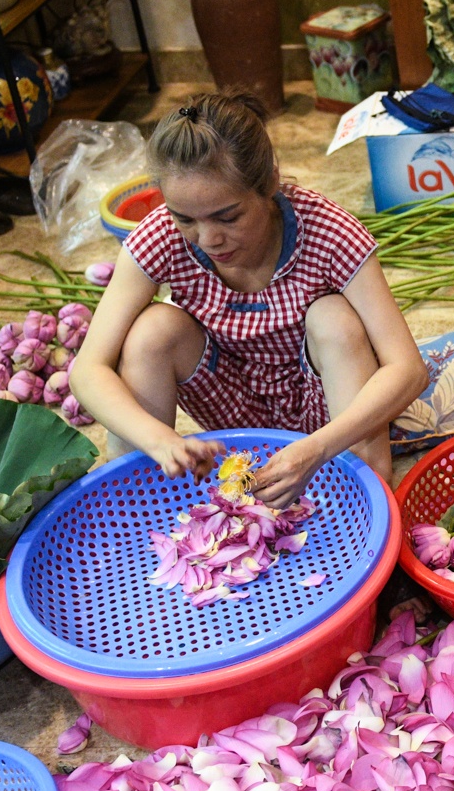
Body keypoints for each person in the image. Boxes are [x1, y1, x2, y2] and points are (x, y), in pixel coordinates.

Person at [71, 89, 428, 507]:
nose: (208, 239)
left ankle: (359, 499)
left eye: (228, 217)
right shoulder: (160, 237)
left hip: (326, 413)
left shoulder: (330, 233)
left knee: (335, 319)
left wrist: (316, 447)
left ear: (270, 182)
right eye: (185, 218)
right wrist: (160, 440)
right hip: (229, 405)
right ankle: (137, 501)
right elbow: (87, 370)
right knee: (152, 330)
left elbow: (408, 369)